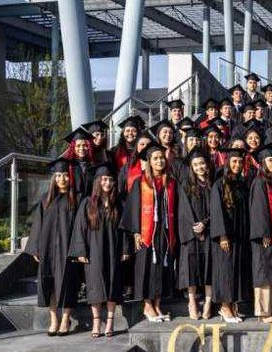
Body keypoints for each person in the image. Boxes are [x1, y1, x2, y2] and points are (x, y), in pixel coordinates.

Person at [69, 163, 129, 338]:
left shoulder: (118, 204)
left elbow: (125, 228)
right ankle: (96, 321)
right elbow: (80, 228)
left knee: (112, 284)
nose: (108, 183)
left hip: (114, 249)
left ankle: (109, 321)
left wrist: (125, 248)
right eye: (104, 179)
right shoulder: (88, 203)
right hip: (94, 250)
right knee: (95, 286)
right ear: (98, 181)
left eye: (110, 180)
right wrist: (81, 251)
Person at [121, 143, 178, 323]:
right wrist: (136, 232)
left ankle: (158, 304)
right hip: (147, 234)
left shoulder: (171, 183)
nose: (159, 160)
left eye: (161, 157)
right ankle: (147, 305)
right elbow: (133, 208)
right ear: (149, 162)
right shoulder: (141, 182)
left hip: (165, 232)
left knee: (163, 267)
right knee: (147, 268)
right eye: (155, 158)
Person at [26, 158, 80, 336]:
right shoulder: (46, 199)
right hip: (48, 248)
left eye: (65, 175)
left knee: (68, 283)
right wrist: (35, 248)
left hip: (68, 248)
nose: (62, 179)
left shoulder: (77, 199)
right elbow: (38, 225)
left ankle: (65, 319)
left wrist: (79, 249)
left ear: (70, 177)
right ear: (54, 178)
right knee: (49, 284)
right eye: (58, 175)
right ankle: (54, 319)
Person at [209, 147, 253, 322]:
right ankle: (225, 307)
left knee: (236, 271)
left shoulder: (242, 183)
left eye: (240, 162)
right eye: (234, 161)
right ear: (227, 163)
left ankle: (233, 305)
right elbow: (217, 211)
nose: (237, 164)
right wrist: (222, 236)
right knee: (226, 270)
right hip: (226, 237)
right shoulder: (219, 184)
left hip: (240, 236)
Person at [248, 145, 272, 323]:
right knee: (263, 273)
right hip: (264, 235)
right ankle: (263, 312)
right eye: (271, 160)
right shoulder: (259, 182)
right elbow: (258, 210)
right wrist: (263, 233)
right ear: (262, 162)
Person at [176, 150, 214, 320]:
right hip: (191, 233)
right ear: (191, 166)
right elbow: (183, 210)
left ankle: (207, 302)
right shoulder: (185, 184)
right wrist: (195, 227)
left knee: (210, 268)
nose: (200, 167)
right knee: (191, 267)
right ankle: (192, 301)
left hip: (210, 232)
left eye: (202, 163)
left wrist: (205, 224)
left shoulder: (213, 184)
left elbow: (218, 209)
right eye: (196, 164)